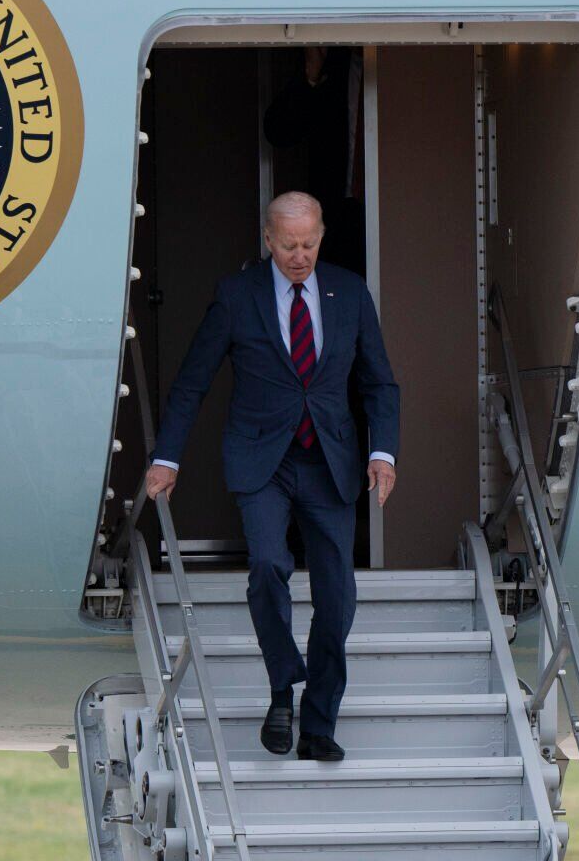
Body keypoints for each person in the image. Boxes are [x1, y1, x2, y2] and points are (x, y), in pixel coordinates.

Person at [144, 191, 400, 761]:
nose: (300, 255)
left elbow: (379, 383)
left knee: (337, 597)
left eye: (309, 243)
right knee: (266, 566)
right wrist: (167, 457)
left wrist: (383, 453)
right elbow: (192, 381)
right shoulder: (238, 296)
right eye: (289, 245)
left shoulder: (349, 292)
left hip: (330, 460)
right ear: (267, 240)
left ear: (321, 236)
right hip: (264, 459)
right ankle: (283, 686)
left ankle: (318, 726)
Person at [263, 47, 367, 273]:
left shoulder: (404, 63)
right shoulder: (331, 65)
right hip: (334, 214)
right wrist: (311, 75)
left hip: (394, 209)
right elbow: (278, 132)